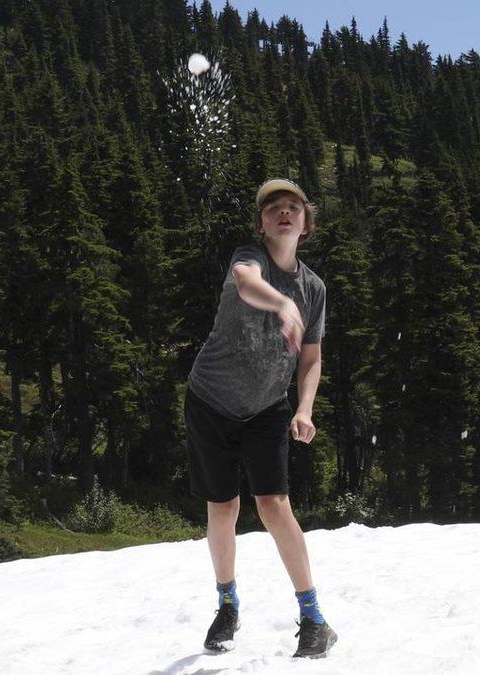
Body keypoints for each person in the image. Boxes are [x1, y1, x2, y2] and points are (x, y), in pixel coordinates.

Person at [184, 178, 336, 658]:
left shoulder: (314, 288)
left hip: (268, 407)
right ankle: (227, 605)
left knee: (274, 506)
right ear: (262, 223)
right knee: (223, 507)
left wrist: (306, 408)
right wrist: (281, 302)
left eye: (294, 207)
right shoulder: (248, 256)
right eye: (275, 208)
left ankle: (313, 618)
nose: (285, 213)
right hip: (210, 401)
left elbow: (310, 358)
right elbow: (247, 285)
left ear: (306, 225)